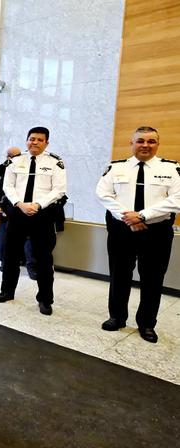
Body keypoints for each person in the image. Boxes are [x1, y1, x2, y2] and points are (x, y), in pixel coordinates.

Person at [95, 126, 180, 343]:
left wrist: (141, 216)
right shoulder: (115, 168)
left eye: (151, 141)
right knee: (119, 274)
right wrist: (128, 217)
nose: (145, 145)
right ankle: (117, 317)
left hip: (156, 232)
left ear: (157, 144)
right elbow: (103, 194)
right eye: (140, 140)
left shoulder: (172, 169)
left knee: (152, 278)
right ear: (131, 143)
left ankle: (147, 324)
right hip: (121, 230)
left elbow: (177, 199)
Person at [0, 127, 67, 315]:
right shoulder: (15, 161)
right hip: (18, 213)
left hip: (41, 215)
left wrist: (37, 204)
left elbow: (59, 190)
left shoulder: (55, 163)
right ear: (26, 140)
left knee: (43, 259)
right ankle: (7, 291)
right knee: (11, 255)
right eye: (31, 139)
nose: (34, 142)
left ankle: (45, 299)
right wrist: (20, 203)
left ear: (46, 143)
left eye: (39, 140)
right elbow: (7, 186)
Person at [0, 146, 37, 278]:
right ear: (9, 157)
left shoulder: (23, 169)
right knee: (3, 233)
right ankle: (4, 261)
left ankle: (28, 263)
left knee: (26, 235)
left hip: (19, 206)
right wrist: (6, 184)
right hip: (1, 206)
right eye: (16, 156)